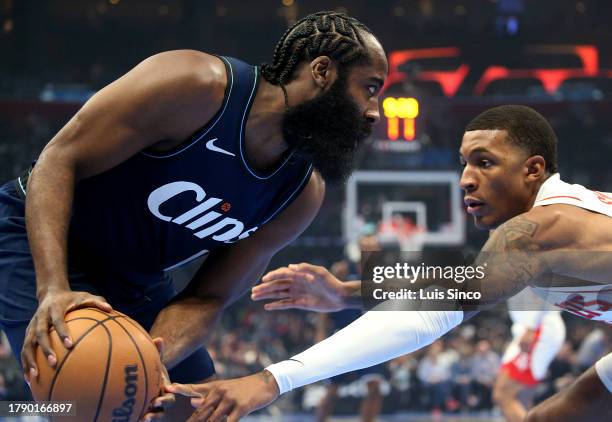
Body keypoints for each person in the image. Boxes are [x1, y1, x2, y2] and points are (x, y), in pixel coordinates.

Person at [0, 11, 388, 420]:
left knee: (194, 406)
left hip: (137, 278)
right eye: (370, 88)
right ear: (322, 71)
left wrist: (147, 360)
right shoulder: (196, 86)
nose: (374, 111)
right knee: (83, 395)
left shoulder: (301, 193)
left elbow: (208, 297)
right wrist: (53, 290)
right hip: (37, 240)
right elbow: (58, 160)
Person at [168, 105, 612, 422]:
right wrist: (343, 292)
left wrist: (271, 380)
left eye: (485, 162)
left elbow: (442, 306)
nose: (465, 179)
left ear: (533, 170)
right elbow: (457, 283)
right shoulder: (547, 225)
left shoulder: (540, 227)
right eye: (464, 164)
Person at [493, 289, 565, 422]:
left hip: (538, 327)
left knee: (503, 394)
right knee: (520, 398)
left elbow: (545, 288)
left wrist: (531, 328)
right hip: (531, 327)